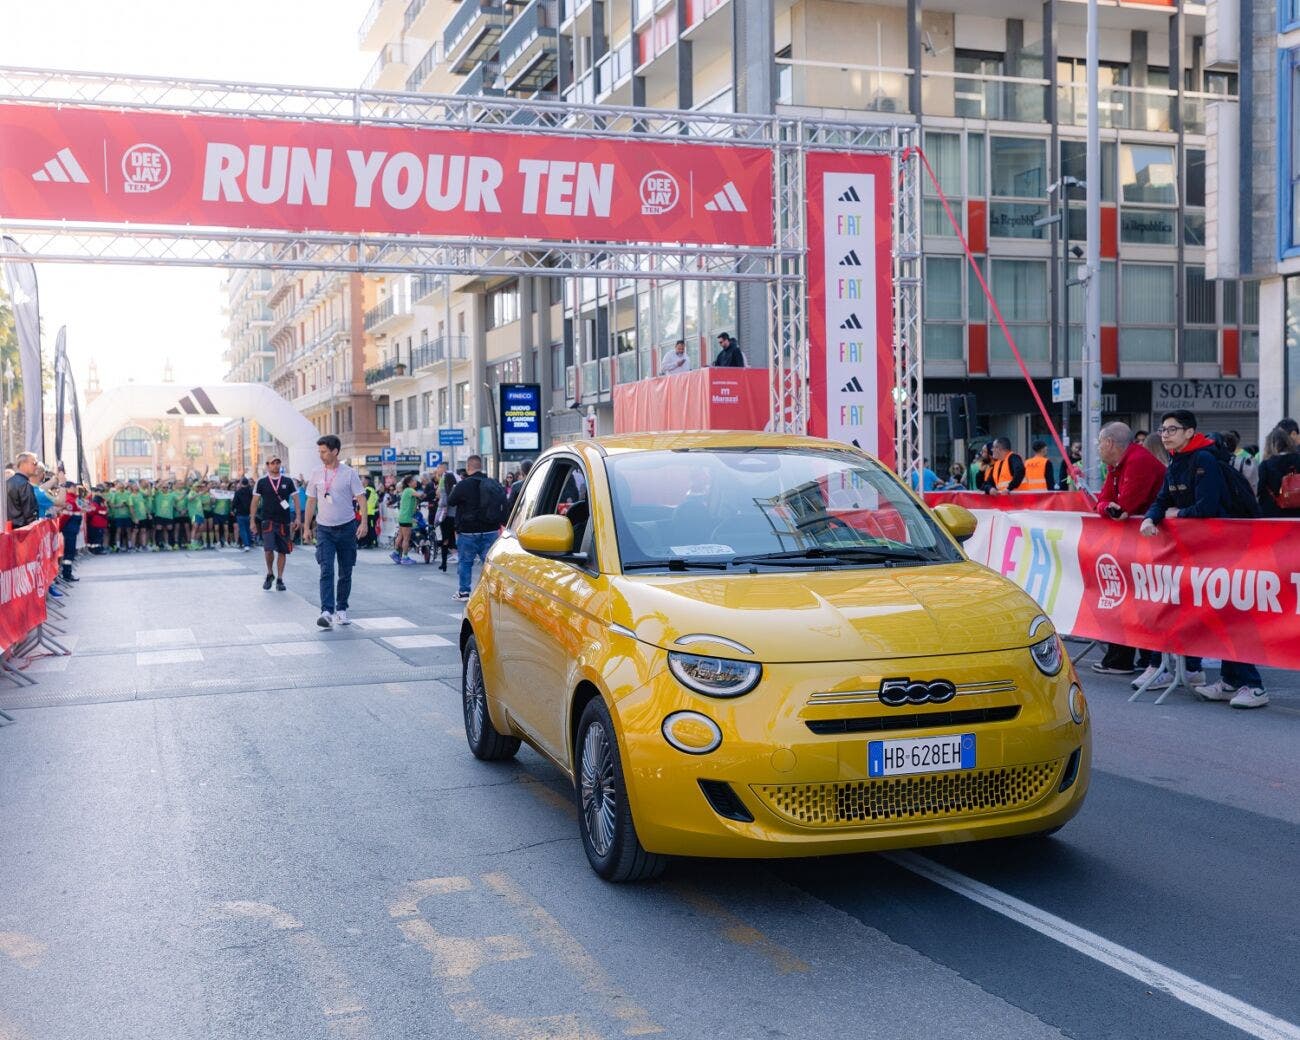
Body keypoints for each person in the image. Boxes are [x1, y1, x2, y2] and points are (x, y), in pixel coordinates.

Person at [1141, 409, 1267, 708]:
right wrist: (1151, 518)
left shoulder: (1205, 460)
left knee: (1229, 615)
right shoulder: (1176, 462)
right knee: (1217, 615)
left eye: (1172, 429)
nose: (1165, 434)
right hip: (1202, 552)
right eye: (1163, 429)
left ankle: (1255, 685)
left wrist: (1177, 514)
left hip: (1225, 549)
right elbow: (1163, 499)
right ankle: (1230, 681)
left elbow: (1207, 506)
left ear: (1189, 432)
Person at [1089, 422, 1167, 678]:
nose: (1097, 447)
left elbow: (1122, 510)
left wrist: (1107, 508)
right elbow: (1103, 503)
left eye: (1100, 442)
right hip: (1138, 544)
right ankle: (1139, 658)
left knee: (1144, 602)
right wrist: (1105, 508)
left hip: (1153, 544)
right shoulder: (1117, 465)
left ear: (1110, 443)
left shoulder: (1137, 462)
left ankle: (1150, 660)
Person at [303, 435, 368, 629]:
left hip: (347, 527)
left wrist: (363, 523)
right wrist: (307, 526)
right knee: (326, 569)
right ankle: (326, 611)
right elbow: (311, 501)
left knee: (345, 571)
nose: (321, 455)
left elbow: (361, 498)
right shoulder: (316, 473)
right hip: (324, 529)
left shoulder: (349, 473)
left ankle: (341, 609)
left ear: (335, 452)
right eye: (319, 451)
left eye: (324, 451)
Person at [447, 454, 506, 601]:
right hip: (491, 530)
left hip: (468, 531)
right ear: (481, 466)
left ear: (468, 467)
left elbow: (451, 501)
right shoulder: (492, 483)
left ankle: (464, 592)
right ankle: (492, 589)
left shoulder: (463, 485)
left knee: (466, 562)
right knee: (490, 563)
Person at [250, 456, 298, 591]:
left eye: (278, 463)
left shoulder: (288, 481)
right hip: (268, 520)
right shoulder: (262, 481)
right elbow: (254, 502)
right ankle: (270, 573)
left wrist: (298, 518)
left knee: (283, 551)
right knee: (268, 549)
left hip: (284, 521)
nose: (276, 465)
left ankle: (280, 579)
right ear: (267, 465)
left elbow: (295, 499)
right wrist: (252, 521)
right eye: (273, 463)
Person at [1257, 425, 1300, 518]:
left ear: (1269, 445)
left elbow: (1259, 489)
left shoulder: (1265, 465)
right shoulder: (1298, 460)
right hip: (1296, 513)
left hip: (1272, 513)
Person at [391, 475, 420, 565]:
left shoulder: (405, 491)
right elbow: (420, 495)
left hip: (402, 516)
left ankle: (395, 553)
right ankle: (405, 557)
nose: (416, 482)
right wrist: (426, 494)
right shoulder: (410, 490)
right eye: (414, 481)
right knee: (406, 538)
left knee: (400, 536)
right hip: (406, 517)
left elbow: (414, 506)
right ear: (409, 483)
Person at [6, 452, 39, 528]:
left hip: (9, 531)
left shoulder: (8, 482)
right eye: (34, 463)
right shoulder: (24, 484)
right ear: (23, 464)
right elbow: (30, 514)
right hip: (23, 532)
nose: (36, 466)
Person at [233, 477, 254, 552]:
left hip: (240, 513)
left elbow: (234, 502)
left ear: (241, 484)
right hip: (249, 513)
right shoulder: (251, 491)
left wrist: (232, 509)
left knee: (242, 529)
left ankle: (246, 545)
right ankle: (249, 543)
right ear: (247, 483)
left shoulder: (238, 492)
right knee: (248, 528)